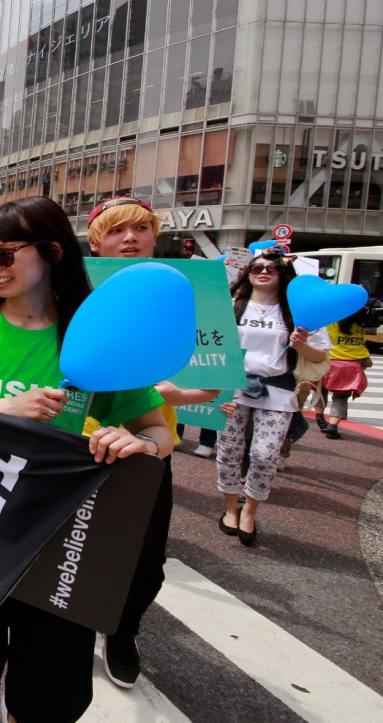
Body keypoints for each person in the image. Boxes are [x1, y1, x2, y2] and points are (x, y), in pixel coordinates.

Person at [0, 197, 172, 722]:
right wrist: (0, 408)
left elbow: (158, 433)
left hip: (67, 547)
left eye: (5, 254)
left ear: (52, 252)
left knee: (46, 700)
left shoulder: (95, 338)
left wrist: (138, 444)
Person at [85, 196, 220, 688]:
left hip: (148, 444)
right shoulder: (76, 290)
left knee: (145, 560)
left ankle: (123, 631)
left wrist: (177, 393)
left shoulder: (187, 292)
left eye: (141, 228)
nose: (130, 238)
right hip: (75, 439)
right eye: (117, 230)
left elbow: (214, 379)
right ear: (96, 239)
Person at [216, 249, 330, 547]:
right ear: (248, 273)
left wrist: (302, 345)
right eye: (257, 267)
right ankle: (230, 508)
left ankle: (250, 511)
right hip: (234, 388)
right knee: (229, 449)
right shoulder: (231, 306)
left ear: (284, 275)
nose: (263, 272)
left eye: (271, 268)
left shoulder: (297, 312)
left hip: (278, 390)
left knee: (265, 455)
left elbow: (321, 356)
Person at [317, 302, 376, 439]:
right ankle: (332, 426)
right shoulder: (358, 326)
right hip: (350, 366)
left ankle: (320, 417)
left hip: (327, 362)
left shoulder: (328, 323)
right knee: (341, 396)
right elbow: (361, 349)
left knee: (320, 390)